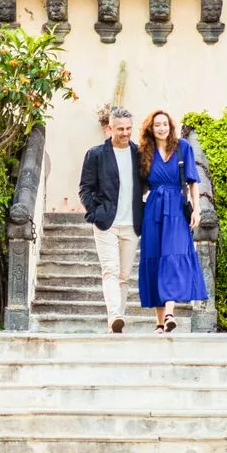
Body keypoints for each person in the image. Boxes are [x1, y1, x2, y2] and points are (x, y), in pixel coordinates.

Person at [135, 109, 209, 333]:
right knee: (155, 258)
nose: (161, 128)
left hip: (176, 209)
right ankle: (159, 322)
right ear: (151, 128)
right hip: (154, 210)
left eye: (165, 124)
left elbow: (193, 181)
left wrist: (197, 209)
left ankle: (169, 313)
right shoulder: (144, 152)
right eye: (157, 125)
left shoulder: (182, 147)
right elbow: (138, 184)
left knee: (173, 256)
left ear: (170, 126)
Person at [78, 108, 143, 333]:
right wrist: (94, 212)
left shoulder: (140, 153)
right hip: (106, 222)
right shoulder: (96, 154)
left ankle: (117, 322)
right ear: (110, 128)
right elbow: (85, 188)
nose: (125, 133)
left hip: (132, 223)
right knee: (110, 270)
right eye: (120, 129)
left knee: (124, 276)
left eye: (128, 129)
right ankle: (114, 315)